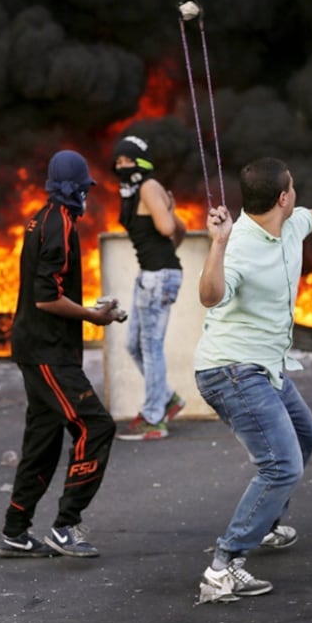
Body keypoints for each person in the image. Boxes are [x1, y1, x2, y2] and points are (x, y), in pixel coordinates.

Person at [193, 157, 312, 603]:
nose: (296, 194)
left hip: (267, 366)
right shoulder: (237, 245)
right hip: (232, 371)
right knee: (282, 465)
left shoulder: (291, 222)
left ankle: (266, 524)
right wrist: (217, 244)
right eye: (292, 187)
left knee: (305, 438)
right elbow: (209, 295)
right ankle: (223, 567)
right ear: (281, 196)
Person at [0, 150, 123, 559]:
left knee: (43, 439)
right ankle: (65, 526)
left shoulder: (43, 218)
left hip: (41, 347)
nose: (87, 195)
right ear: (74, 189)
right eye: (85, 188)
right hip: (48, 351)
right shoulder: (59, 225)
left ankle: (15, 531)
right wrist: (92, 316)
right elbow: (47, 298)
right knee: (96, 425)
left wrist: (92, 309)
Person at [110, 135, 187, 441]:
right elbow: (177, 227)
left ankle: (154, 418)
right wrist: (169, 211)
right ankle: (167, 398)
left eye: (127, 160)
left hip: (158, 276)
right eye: (117, 161)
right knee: (134, 345)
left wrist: (166, 208)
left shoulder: (148, 186)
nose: (121, 166)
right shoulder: (133, 192)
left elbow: (169, 228)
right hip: (151, 274)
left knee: (151, 347)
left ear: (141, 161)